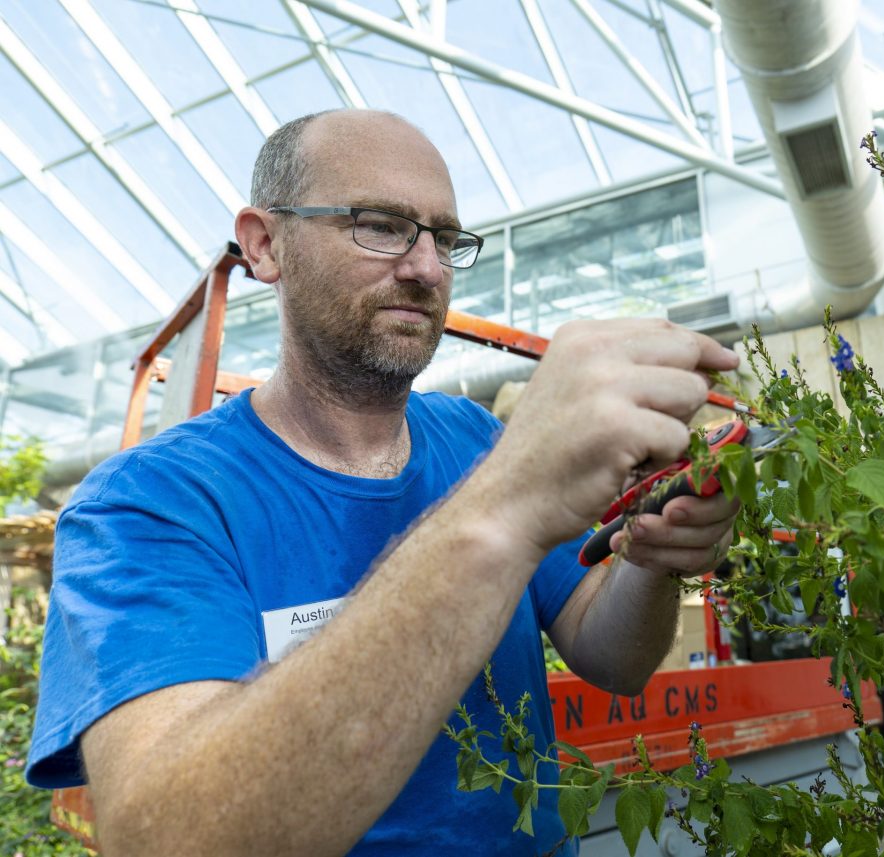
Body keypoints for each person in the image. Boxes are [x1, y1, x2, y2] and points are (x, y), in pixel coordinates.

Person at [27, 109, 741, 856]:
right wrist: (504, 508)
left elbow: (614, 657)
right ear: (265, 245)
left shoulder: (475, 438)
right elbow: (168, 838)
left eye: (445, 238)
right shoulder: (149, 505)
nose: (427, 269)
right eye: (380, 225)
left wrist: (654, 558)